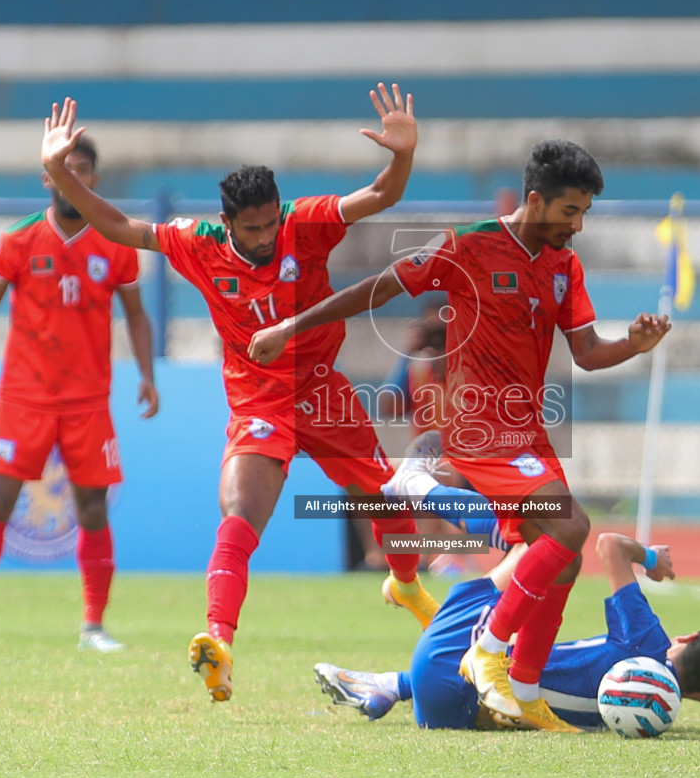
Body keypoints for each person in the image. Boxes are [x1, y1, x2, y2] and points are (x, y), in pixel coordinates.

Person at [249, 139, 673, 730]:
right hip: (481, 428)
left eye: (584, 213)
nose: (578, 226)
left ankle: (524, 692)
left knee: (564, 562)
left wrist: (635, 343)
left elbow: (588, 351)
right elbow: (382, 286)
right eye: (571, 212)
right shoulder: (468, 244)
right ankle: (488, 653)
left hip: (528, 431)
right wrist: (293, 323)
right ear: (535, 200)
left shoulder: (562, 266)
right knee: (571, 526)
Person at [39, 87, 438, 703]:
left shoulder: (305, 224)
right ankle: (219, 642)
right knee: (240, 518)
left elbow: (382, 194)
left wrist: (403, 155)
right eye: (252, 229)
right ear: (227, 224)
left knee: (382, 499)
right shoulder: (197, 243)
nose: (265, 237)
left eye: (271, 223)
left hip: (324, 393)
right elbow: (118, 225)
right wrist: (57, 174)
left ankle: (407, 586)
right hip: (260, 404)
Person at [0, 134, 159, 652]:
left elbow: (135, 314)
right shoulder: (17, 240)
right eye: (64, 170)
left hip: (87, 402)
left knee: (92, 509)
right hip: (23, 398)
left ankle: (93, 626)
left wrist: (147, 376)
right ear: (47, 178)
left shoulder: (116, 241)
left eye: (82, 170)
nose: (73, 179)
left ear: (94, 179)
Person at [314, 533, 700, 729]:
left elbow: (609, 545)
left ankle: (408, 589)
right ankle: (389, 685)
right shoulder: (656, 710)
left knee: (536, 545)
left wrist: (650, 557)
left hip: (450, 674)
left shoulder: (647, 639)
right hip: (451, 718)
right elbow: (674, 684)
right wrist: (689, 691)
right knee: (508, 641)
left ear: (685, 640)